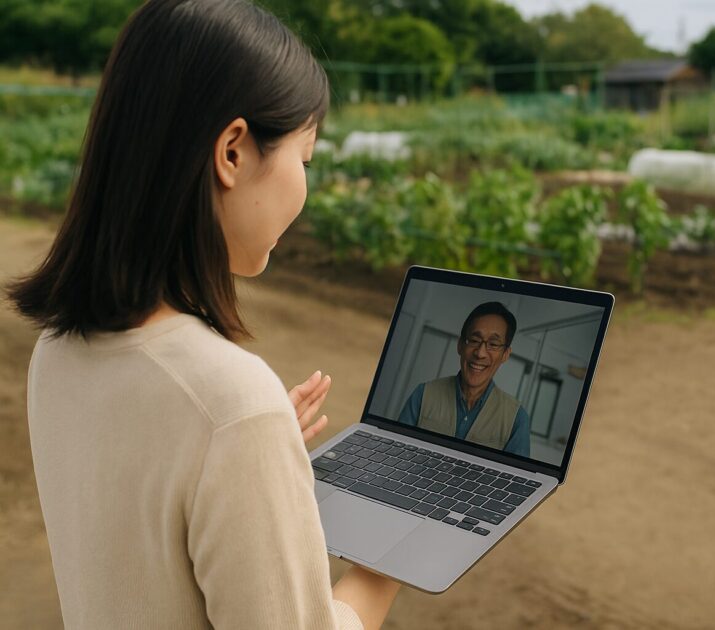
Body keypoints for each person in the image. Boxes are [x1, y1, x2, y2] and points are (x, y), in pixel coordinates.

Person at [4, 1, 399, 628]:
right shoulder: (233, 403)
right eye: (306, 158)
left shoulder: (58, 349)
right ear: (234, 153)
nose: (306, 184)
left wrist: (252, 468)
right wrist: (389, 560)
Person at [397, 302, 531, 457]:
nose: (480, 353)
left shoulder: (516, 418)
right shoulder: (423, 394)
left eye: (493, 344)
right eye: (474, 340)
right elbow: (396, 454)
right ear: (460, 345)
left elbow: (515, 478)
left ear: (505, 354)